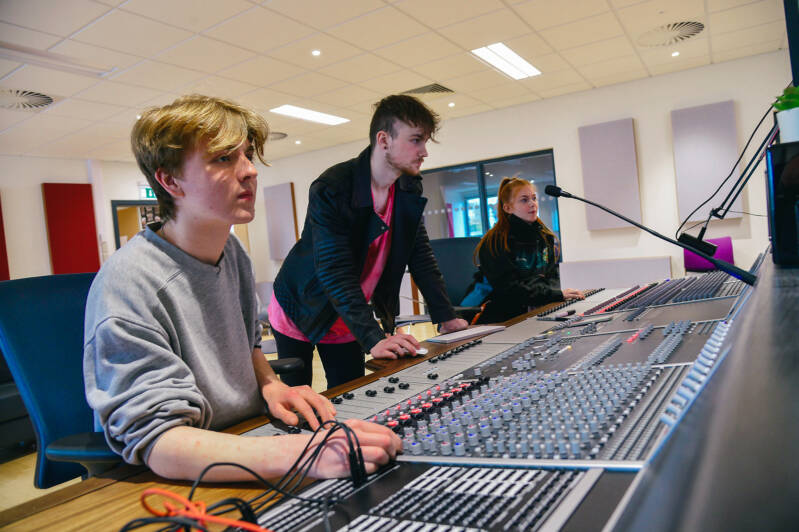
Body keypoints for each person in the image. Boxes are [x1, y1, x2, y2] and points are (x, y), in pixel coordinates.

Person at [83, 95, 400, 483]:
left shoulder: (231, 252)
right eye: (223, 158)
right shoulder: (128, 282)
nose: (249, 170)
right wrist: (297, 454)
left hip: (242, 434)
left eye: (246, 155)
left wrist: (270, 384)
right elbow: (158, 442)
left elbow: (249, 344)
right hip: (181, 472)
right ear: (169, 180)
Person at [268, 95, 468, 389]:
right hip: (300, 307)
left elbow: (420, 253)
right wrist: (373, 338)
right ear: (384, 140)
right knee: (300, 402)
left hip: (348, 314)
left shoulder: (408, 185)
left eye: (425, 141)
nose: (424, 151)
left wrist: (446, 315)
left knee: (350, 394)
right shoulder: (333, 187)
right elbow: (334, 269)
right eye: (416, 140)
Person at [473, 176, 584, 324]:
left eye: (534, 198)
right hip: (506, 317)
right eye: (524, 200)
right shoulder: (495, 242)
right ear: (508, 208)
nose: (532, 204)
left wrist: (555, 296)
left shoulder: (545, 236)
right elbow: (510, 290)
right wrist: (554, 295)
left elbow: (550, 277)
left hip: (541, 308)